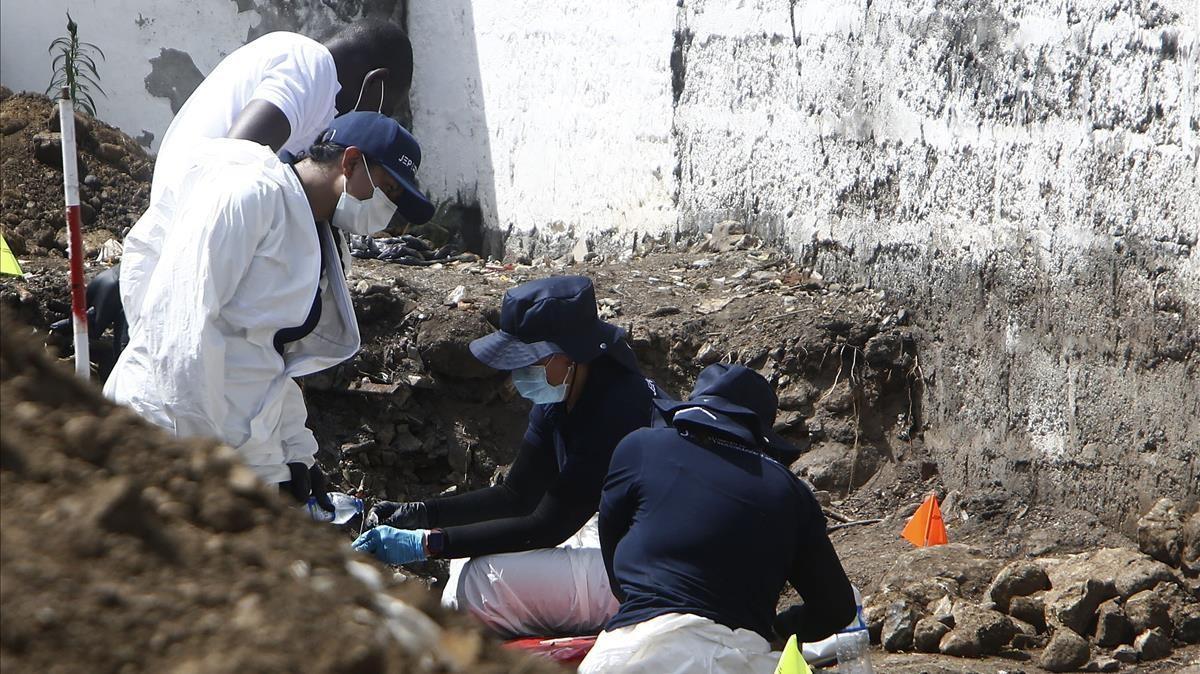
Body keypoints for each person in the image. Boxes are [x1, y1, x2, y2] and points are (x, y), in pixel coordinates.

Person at [104, 112, 434, 507]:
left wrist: (295, 450)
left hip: (237, 437)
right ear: (349, 162)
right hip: (168, 430)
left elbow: (274, 355)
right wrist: (201, 460)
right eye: (388, 190)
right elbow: (179, 331)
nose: (388, 210)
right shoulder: (249, 196)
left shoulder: (323, 236)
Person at [353, 276, 666, 637]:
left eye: (528, 360)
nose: (518, 373)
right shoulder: (565, 394)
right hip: (621, 535)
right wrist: (421, 514)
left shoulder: (616, 409)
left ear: (568, 355)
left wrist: (427, 542)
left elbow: (547, 527)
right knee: (465, 566)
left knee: (479, 583)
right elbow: (516, 496)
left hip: (653, 568)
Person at [577, 364, 856, 673]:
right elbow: (837, 608)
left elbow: (615, 566)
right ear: (758, 430)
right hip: (732, 658)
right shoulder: (788, 491)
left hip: (623, 654)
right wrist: (780, 628)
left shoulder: (640, 448)